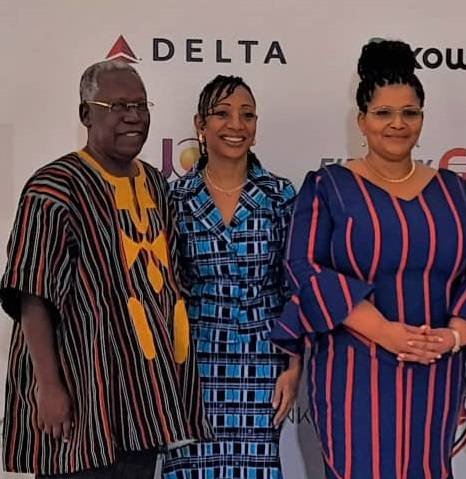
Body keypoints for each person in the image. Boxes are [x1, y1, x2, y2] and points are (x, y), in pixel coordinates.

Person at [271, 39, 466, 479]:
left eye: (409, 113)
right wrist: (383, 331)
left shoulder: (455, 193)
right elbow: (304, 268)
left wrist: (454, 337)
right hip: (354, 371)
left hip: (435, 373)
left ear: (422, 118)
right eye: (383, 113)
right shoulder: (329, 186)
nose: (397, 124)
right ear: (361, 120)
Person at [0, 60, 209, 478]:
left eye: (139, 104)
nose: (132, 115)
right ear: (85, 114)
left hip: (141, 402)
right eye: (116, 105)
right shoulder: (54, 188)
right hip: (81, 399)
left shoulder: (154, 182)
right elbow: (32, 294)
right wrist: (49, 387)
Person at [163, 75, 301, 479]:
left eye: (247, 115)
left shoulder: (279, 194)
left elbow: (293, 285)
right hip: (191, 363)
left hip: (261, 360)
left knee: (254, 468)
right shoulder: (175, 198)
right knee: (190, 468)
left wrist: (294, 368)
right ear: (199, 126)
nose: (235, 125)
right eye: (221, 114)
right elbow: (165, 288)